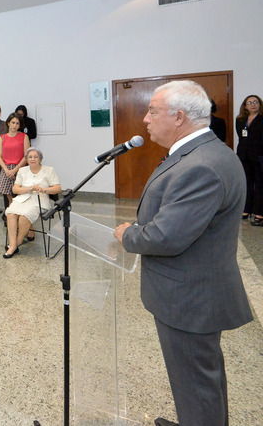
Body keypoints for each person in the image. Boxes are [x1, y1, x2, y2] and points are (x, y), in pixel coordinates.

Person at [113, 80, 252, 426]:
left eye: (153, 111)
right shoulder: (205, 152)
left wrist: (129, 234)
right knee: (198, 380)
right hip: (192, 290)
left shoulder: (201, 165)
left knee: (197, 384)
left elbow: (166, 236)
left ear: (178, 117)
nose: (145, 119)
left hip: (189, 297)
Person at [4, 148, 61, 258]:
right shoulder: (22, 171)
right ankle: (13, 244)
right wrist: (29, 189)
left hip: (40, 200)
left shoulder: (49, 170)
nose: (33, 159)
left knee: (24, 216)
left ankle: (16, 243)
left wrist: (44, 190)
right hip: (22, 198)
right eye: (30, 157)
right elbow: (15, 189)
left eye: (35, 157)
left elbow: (58, 188)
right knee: (10, 214)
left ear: (40, 159)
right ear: (26, 159)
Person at [236, 94, 263, 225]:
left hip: (259, 156)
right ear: (245, 106)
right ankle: (247, 209)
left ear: (260, 104)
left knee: (260, 184)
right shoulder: (240, 120)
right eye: (249, 103)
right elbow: (241, 137)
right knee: (246, 183)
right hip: (244, 155)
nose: (253, 105)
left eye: (255, 102)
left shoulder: (262, 119)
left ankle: (259, 213)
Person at [0, 113, 30, 207]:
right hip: (6, 169)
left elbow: (26, 156)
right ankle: (11, 212)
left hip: (20, 168)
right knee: (9, 197)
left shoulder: (24, 136)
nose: (15, 125)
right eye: (13, 123)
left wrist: (15, 170)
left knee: (21, 196)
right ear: (8, 123)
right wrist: (6, 170)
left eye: (17, 123)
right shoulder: (2, 137)